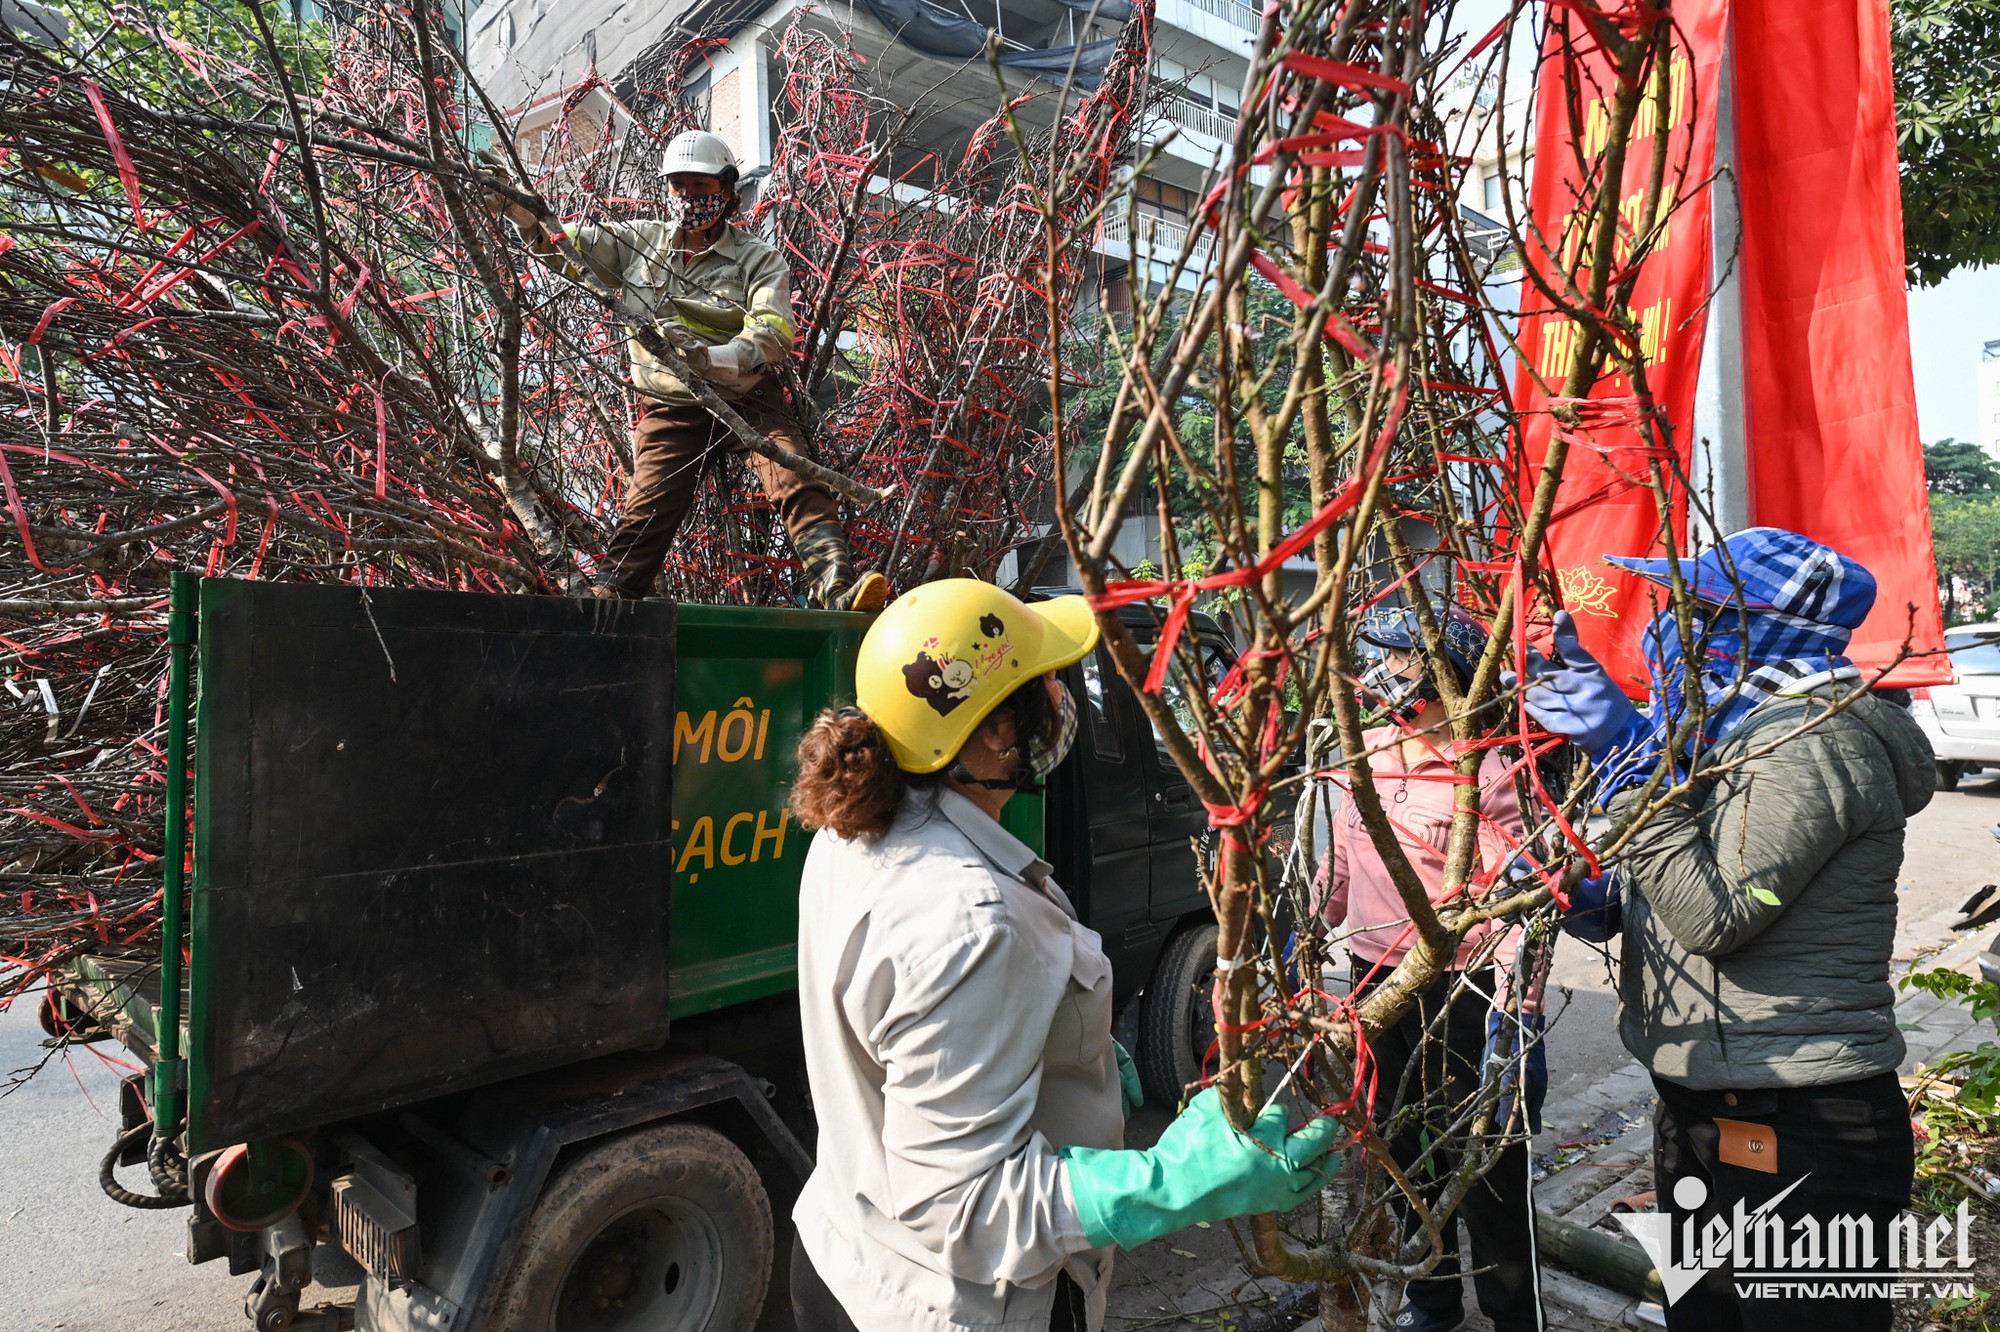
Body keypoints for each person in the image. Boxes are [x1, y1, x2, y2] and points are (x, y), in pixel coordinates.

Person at [787, 578, 1342, 1331]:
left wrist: (1071, 1052)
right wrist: (1173, 1182)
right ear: (994, 731)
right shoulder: (971, 920)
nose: (1062, 696)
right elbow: (965, 1209)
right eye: (1047, 682)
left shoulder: (853, 830)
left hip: (845, 1255)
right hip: (953, 1307)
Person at [1512, 527, 1935, 1332]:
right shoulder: (1726, 736)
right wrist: (1588, 894)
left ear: (1760, 630)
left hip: (1805, 1118)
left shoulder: (1814, 741)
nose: (1671, 628)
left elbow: (1716, 916)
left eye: (1701, 612)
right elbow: (1672, 887)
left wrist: (1632, 760)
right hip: (1705, 1098)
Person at [491, 129, 887, 610]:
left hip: (747, 398)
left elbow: (774, 331)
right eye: (678, 185)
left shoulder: (758, 259)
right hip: (671, 406)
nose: (688, 196)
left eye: (701, 185)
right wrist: (523, 215)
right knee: (649, 506)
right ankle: (610, 600)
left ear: (727, 190)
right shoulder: (639, 242)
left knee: (794, 477)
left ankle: (836, 589)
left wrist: (712, 358)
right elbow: (567, 247)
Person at [1317, 606, 1546, 1332]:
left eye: (1400, 659)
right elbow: (1341, 863)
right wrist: (1304, 920)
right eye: (1379, 657)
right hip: (1374, 983)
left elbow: (1521, 904)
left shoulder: (1489, 774)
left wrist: (1516, 1012)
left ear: (1447, 674)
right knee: (1401, 1153)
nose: (1381, 673)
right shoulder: (1362, 755)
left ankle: (1515, 1316)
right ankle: (1432, 1301)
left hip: (1462, 993)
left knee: (1483, 1163)